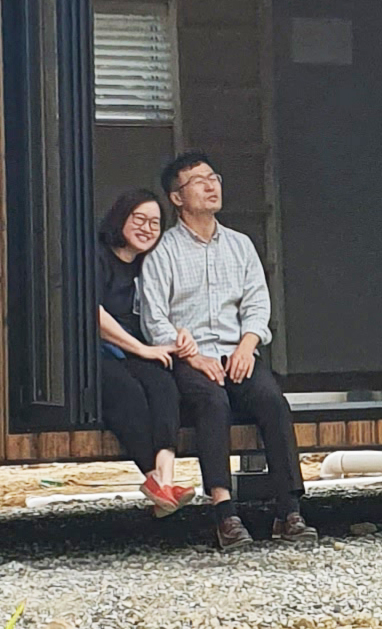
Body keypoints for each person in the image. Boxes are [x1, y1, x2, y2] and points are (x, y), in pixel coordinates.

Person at [137, 150, 316, 550]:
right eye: (198, 181)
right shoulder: (163, 251)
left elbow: (257, 304)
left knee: (272, 400)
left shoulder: (240, 245)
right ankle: (224, 512)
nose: (210, 186)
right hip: (189, 357)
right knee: (212, 402)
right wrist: (193, 356)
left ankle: (289, 510)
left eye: (213, 177)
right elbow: (154, 319)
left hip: (238, 352)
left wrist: (247, 346)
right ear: (177, 198)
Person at [95, 188, 193, 516]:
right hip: (99, 352)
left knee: (164, 385)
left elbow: (168, 307)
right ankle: (154, 479)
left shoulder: (150, 264)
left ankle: (165, 481)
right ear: (120, 217)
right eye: (139, 219)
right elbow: (93, 314)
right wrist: (142, 348)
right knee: (128, 392)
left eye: (155, 223)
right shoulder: (97, 257)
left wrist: (180, 334)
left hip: (138, 350)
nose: (147, 228)